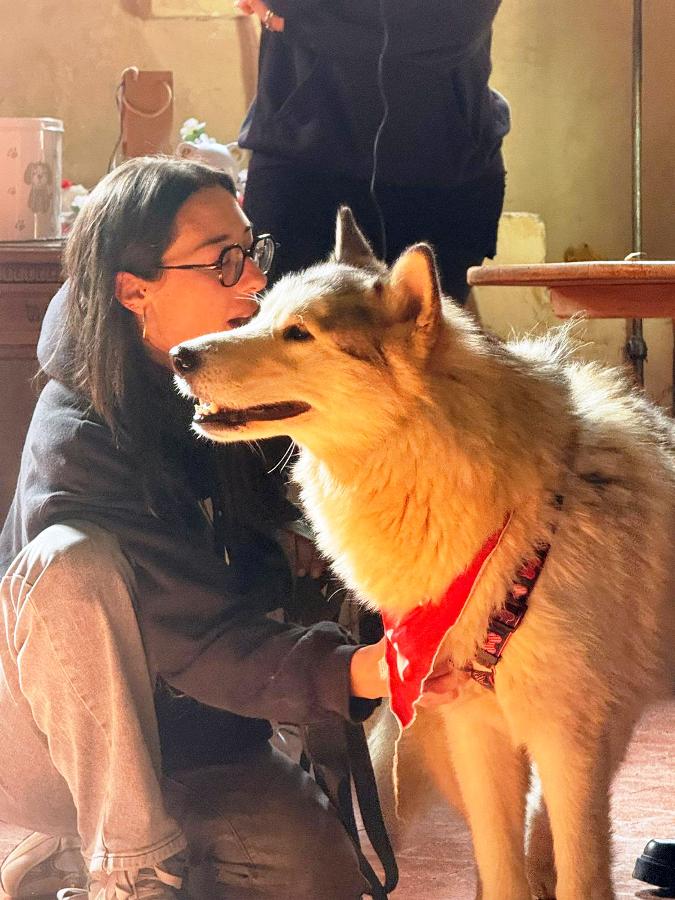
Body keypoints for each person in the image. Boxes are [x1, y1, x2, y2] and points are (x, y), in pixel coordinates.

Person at [0, 156, 396, 900]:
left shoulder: (225, 382)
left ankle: (87, 860)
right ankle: (124, 869)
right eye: (223, 261)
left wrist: (293, 538)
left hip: (196, 736)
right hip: (52, 752)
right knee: (70, 564)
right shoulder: (78, 438)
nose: (255, 279)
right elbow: (191, 634)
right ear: (135, 291)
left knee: (320, 881)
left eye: (252, 250)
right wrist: (354, 671)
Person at [236, 0, 510, 303]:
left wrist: (300, 24)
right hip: (297, 163)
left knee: (424, 331)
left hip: (443, 169)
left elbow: (451, 28)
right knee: (272, 323)